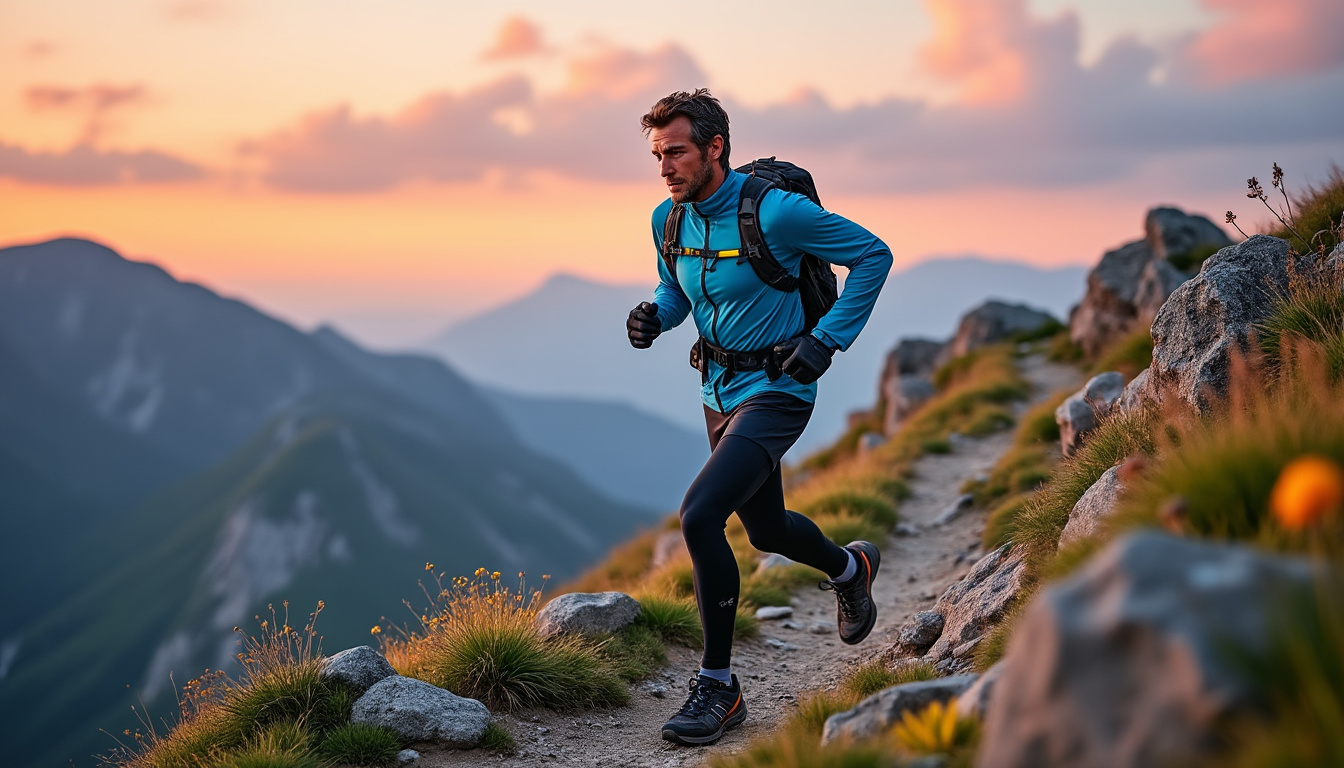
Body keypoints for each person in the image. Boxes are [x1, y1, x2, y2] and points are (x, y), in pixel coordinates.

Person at [626, 89, 895, 746]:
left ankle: (719, 687)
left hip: (777, 390)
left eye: (677, 152)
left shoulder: (776, 213)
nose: (665, 166)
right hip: (716, 390)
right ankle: (850, 570)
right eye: (658, 154)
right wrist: (655, 315)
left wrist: (825, 339)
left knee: (699, 516)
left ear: (715, 147)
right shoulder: (669, 219)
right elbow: (677, 289)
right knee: (767, 527)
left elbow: (872, 255)